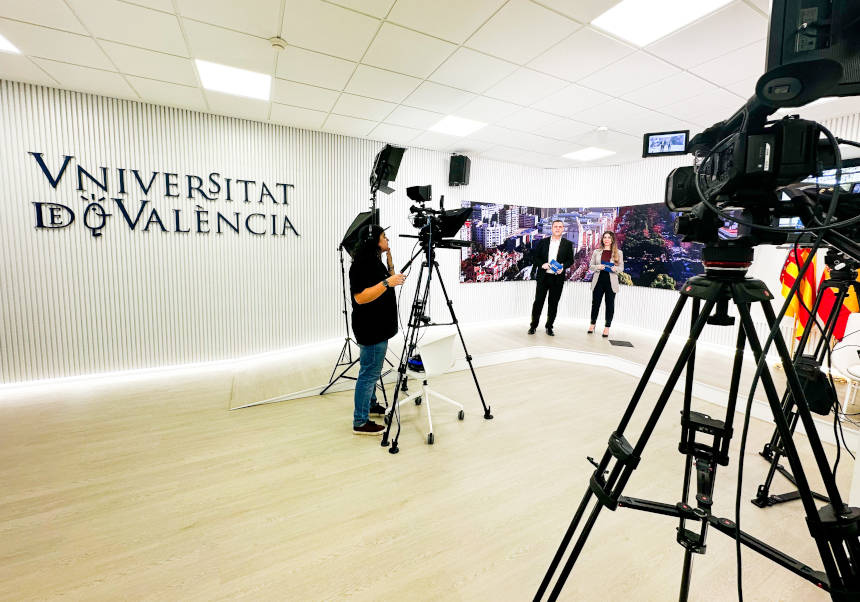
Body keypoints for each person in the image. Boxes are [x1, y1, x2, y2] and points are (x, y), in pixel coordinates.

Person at [349, 225, 406, 435]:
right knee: (369, 374)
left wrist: (390, 264)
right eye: (384, 236)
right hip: (370, 328)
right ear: (374, 241)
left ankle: (371, 405)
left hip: (379, 326)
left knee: (372, 371)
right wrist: (387, 281)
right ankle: (360, 421)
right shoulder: (361, 264)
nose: (387, 239)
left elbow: (386, 283)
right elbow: (360, 297)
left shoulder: (374, 261)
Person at [529, 219, 574, 336]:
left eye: (560, 227)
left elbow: (570, 260)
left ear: (563, 229)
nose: (557, 228)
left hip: (557, 278)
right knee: (538, 302)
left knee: (553, 304)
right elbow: (536, 257)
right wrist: (542, 264)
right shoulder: (543, 242)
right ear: (552, 228)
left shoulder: (568, 244)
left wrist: (563, 266)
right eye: (555, 226)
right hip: (543, 277)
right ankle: (533, 326)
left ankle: (549, 327)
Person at [588, 231, 624, 338]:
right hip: (598, 281)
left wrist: (615, 269)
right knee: (595, 304)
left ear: (612, 240)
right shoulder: (597, 252)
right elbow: (591, 266)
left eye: (609, 237)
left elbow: (621, 268)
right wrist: (598, 267)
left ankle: (607, 327)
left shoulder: (619, 253)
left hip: (611, 282)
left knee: (610, 305)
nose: (606, 239)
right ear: (602, 239)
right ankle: (592, 324)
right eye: (605, 237)